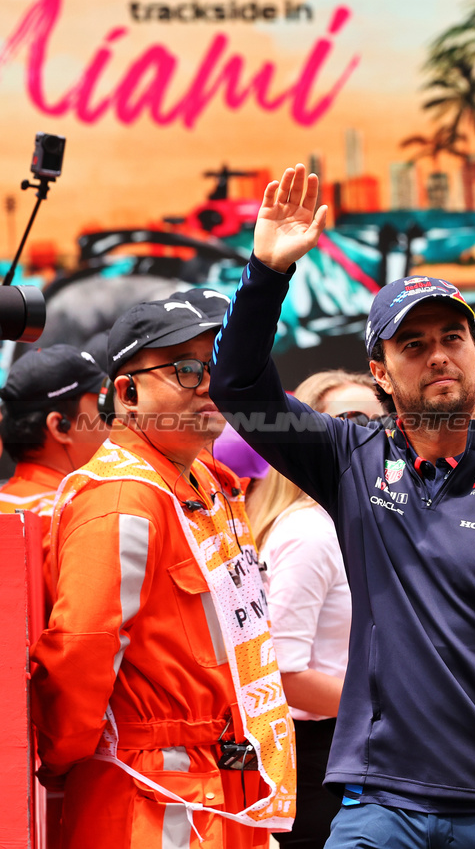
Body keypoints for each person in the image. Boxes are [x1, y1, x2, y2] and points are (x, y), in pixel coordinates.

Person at [209, 163, 475, 849]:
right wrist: (267, 273)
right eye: (413, 345)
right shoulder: (352, 457)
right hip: (379, 805)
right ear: (379, 370)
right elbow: (239, 387)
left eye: (452, 338)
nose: (438, 357)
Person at [30, 299, 296, 848]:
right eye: (186, 368)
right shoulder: (122, 499)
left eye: (216, 366)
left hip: (220, 791)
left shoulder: (203, 480)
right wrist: (64, 760)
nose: (208, 384)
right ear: (127, 394)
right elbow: (81, 650)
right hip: (147, 801)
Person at [246, 369, 381, 849]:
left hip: (350, 744)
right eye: (348, 420)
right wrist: (390, 710)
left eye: (378, 422)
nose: (365, 434)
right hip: (320, 756)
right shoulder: (311, 532)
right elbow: (282, 673)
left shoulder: (355, 521)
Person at [0, 345, 109, 598]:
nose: (117, 421)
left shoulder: (7, 497)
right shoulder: (65, 515)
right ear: (60, 426)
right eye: (103, 409)